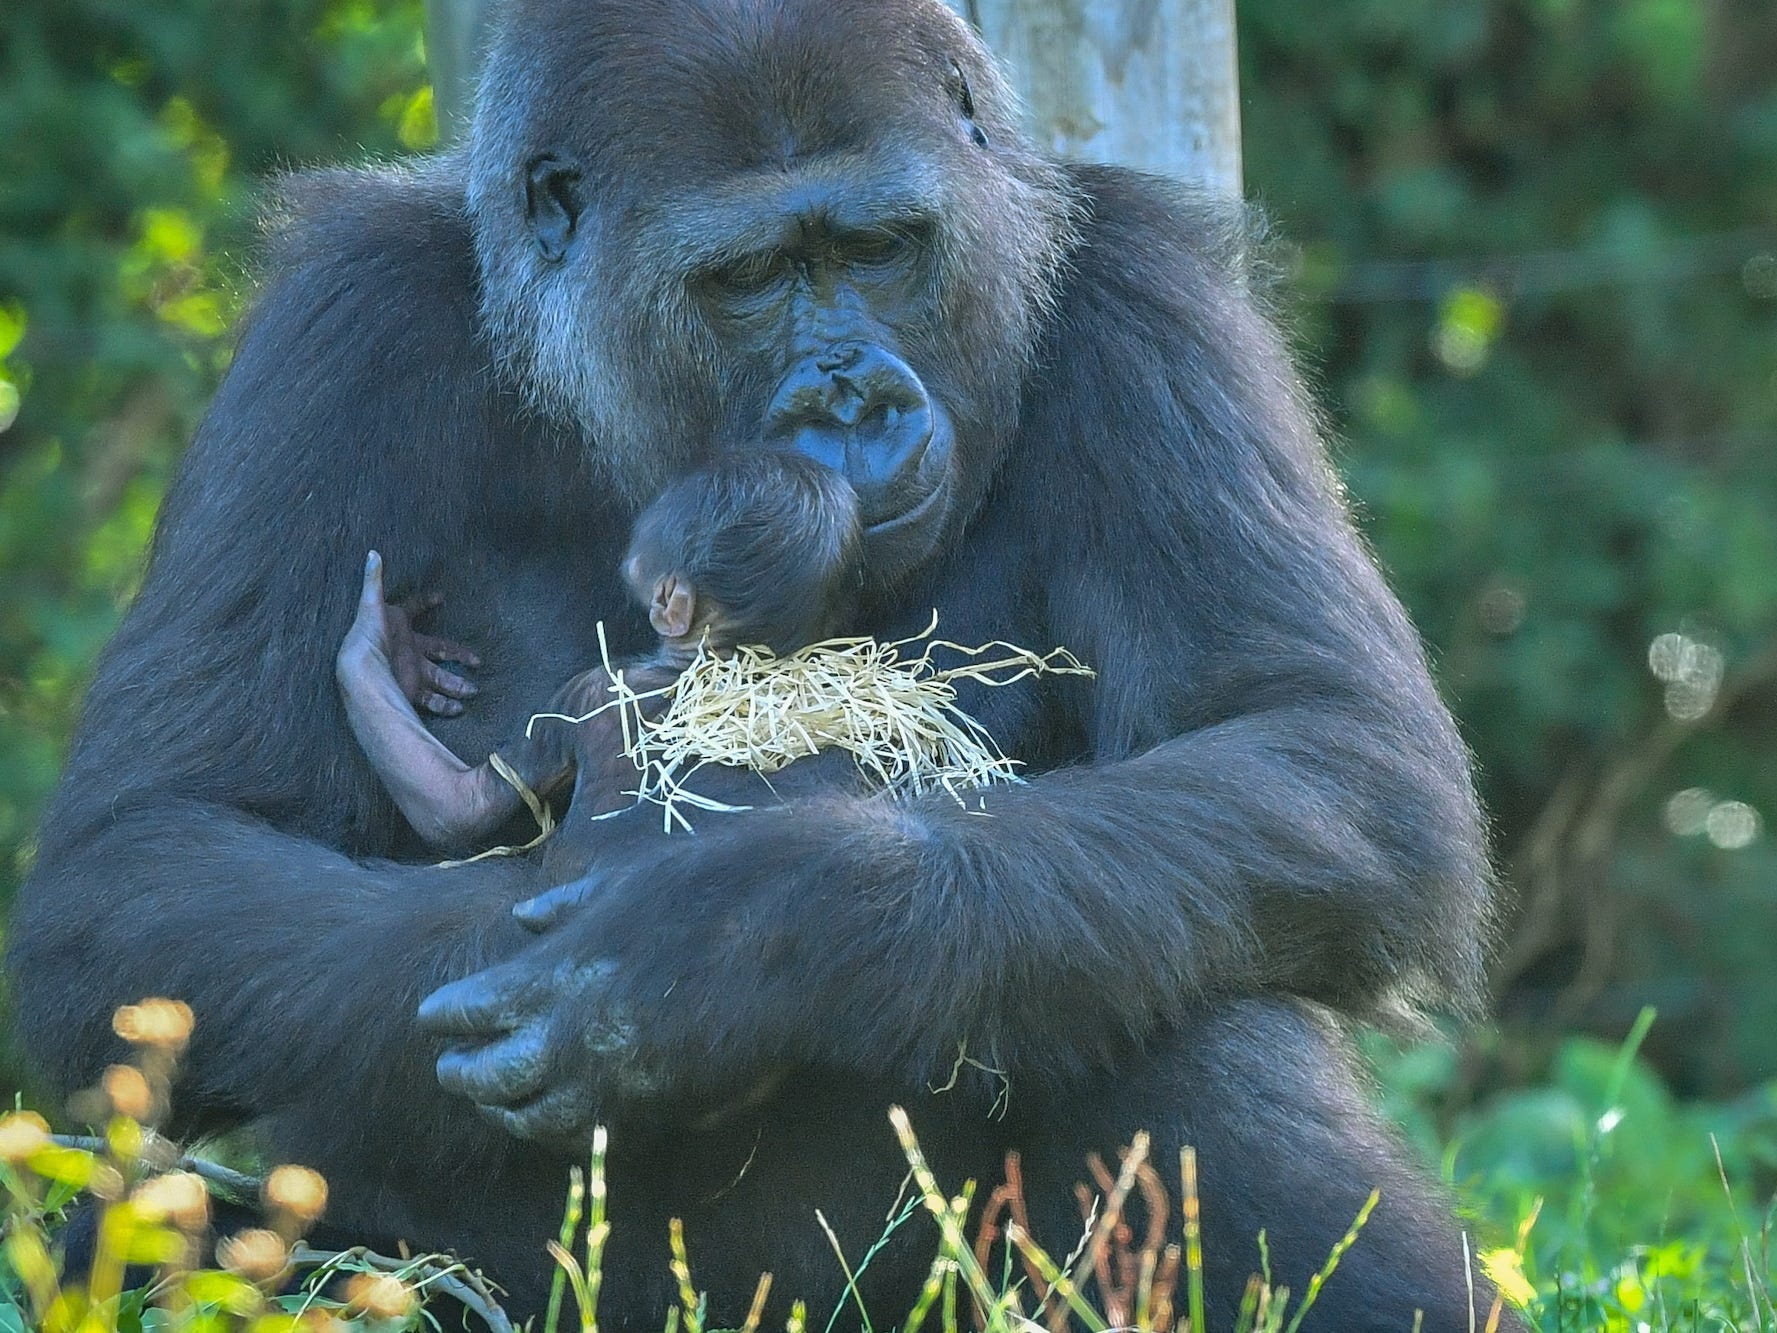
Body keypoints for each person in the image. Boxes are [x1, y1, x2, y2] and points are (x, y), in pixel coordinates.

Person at [335, 451, 862, 853]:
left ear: (670, 604)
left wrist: (363, 670)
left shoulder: (610, 702)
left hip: (592, 945)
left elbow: (453, 810)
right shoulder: (842, 722)